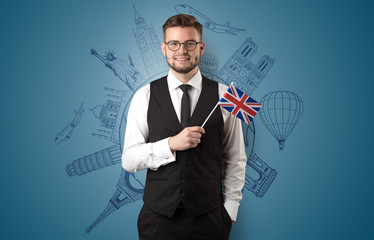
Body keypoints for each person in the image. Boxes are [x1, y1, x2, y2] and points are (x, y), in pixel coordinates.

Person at [122, 14, 247, 240]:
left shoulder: (225, 96)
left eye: (190, 44)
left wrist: (230, 211)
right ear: (163, 48)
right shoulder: (144, 96)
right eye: (174, 44)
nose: (182, 50)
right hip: (157, 220)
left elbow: (235, 159)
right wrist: (170, 144)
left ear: (201, 47)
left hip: (210, 220)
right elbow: (129, 160)